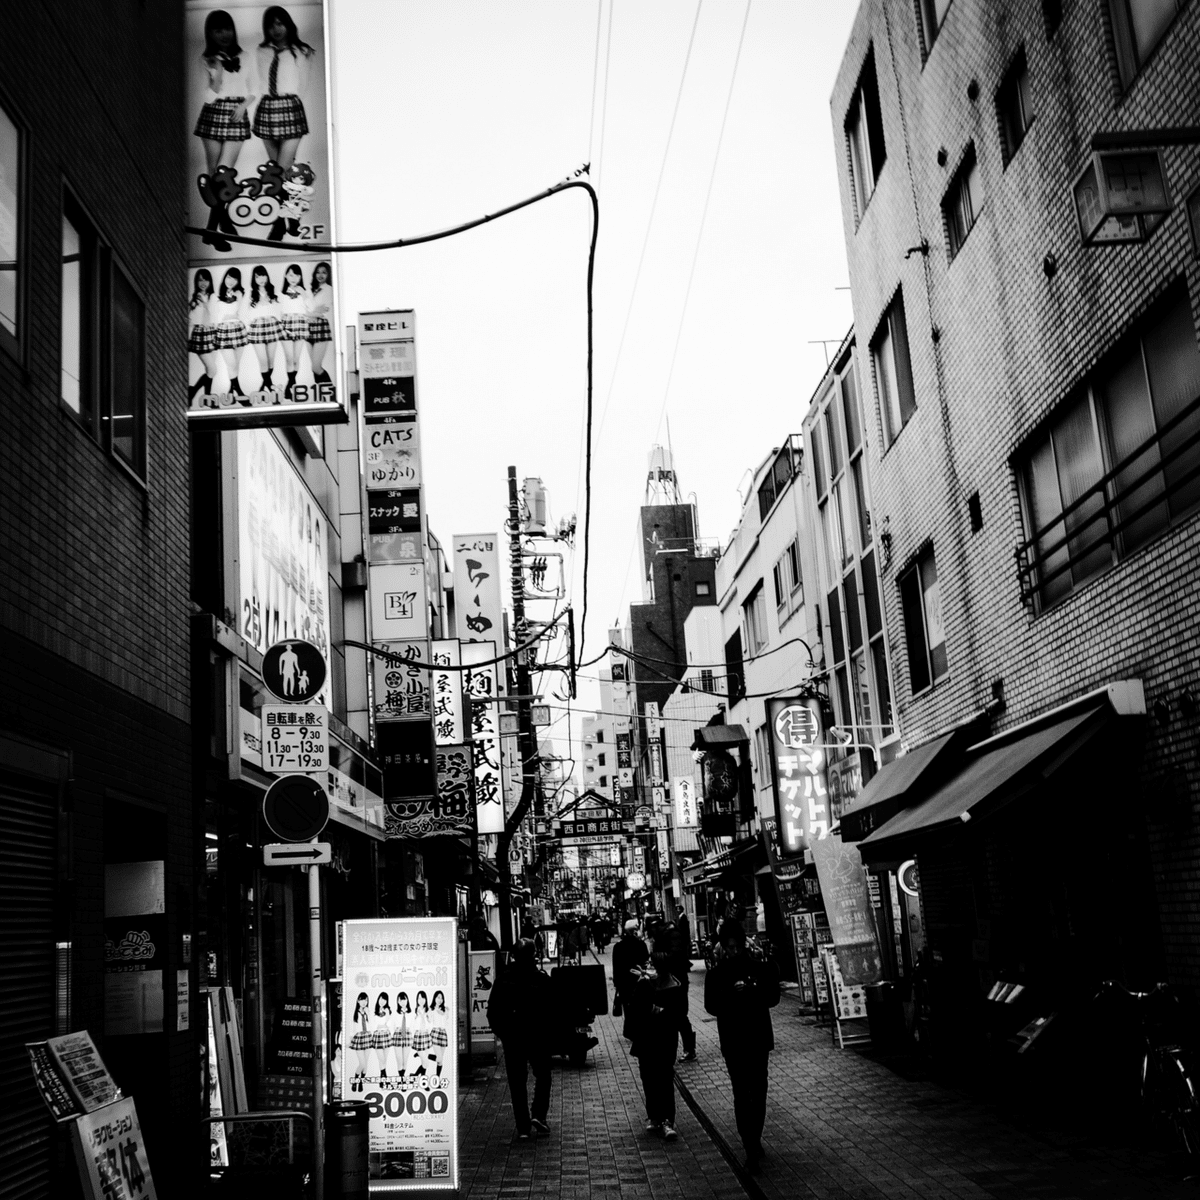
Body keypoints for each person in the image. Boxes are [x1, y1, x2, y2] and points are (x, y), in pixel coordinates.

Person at [703, 920, 781, 1171]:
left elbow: (773, 998)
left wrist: (752, 989)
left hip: (758, 1038)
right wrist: (730, 994)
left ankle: (755, 1137)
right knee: (740, 1092)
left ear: (744, 944)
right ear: (723, 947)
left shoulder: (759, 967)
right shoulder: (716, 973)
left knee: (758, 1091)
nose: (733, 952)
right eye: (729, 948)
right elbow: (711, 1006)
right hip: (733, 1040)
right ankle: (749, 1144)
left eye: (737, 947)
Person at [488, 938, 553, 1141]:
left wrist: (504, 1033)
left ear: (514, 956)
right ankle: (539, 1115)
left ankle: (523, 1126)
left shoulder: (503, 980)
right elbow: (554, 1009)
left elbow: (492, 1012)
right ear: (533, 955)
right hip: (537, 1036)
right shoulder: (541, 979)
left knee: (517, 1082)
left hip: (513, 1038)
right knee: (543, 1075)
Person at [625, 926, 687, 1140]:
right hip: (647, 1040)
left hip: (664, 1040)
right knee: (649, 1078)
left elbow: (680, 1013)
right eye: (648, 964)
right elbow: (634, 1010)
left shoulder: (673, 987)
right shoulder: (644, 985)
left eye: (652, 964)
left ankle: (667, 1120)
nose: (648, 967)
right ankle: (654, 1116)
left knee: (663, 1077)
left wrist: (660, 1011)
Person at [253, 7, 315, 171]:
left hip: (290, 107)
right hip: (267, 108)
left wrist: (289, 102)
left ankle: (289, 195)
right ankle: (284, 196)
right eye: (271, 25)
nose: (276, 29)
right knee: (275, 169)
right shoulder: (261, 51)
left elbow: (303, 85)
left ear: (288, 24)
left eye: (280, 24)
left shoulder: (302, 51)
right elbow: (261, 79)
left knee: (284, 166)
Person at [244, 265, 283, 393]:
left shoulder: (272, 292)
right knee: (263, 360)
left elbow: (278, 311)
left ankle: (264, 386)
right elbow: (246, 314)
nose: (261, 279)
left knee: (271, 361)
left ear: (267, 276)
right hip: (257, 328)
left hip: (272, 325)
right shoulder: (250, 295)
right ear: (254, 279)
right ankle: (271, 389)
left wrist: (282, 326)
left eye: (263, 275)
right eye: (257, 276)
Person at [187, 269, 219, 404]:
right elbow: (192, 321)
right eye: (200, 280)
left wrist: (206, 305)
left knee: (210, 370)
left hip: (212, 333)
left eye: (206, 279)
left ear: (210, 281)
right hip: (200, 334)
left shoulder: (214, 297)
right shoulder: (194, 300)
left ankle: (207, 398)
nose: (203, 283)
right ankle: (193, 391)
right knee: (213, 369)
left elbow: (214, 316)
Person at [672, 913, 698, 1061]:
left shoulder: (674, 947)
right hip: (679, 984)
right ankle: (689, 1049)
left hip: (677, 985)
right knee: (681, 1018)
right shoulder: (676, 942)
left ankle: (689, 1049)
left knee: (680, 1018)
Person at [612, 918, 649, 1011]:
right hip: (640, 981)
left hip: (624, 984)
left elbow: (616, 967)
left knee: (628, 1012)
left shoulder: (618, 946)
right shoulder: (641, 945)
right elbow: (646, 961)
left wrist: (616, 983)